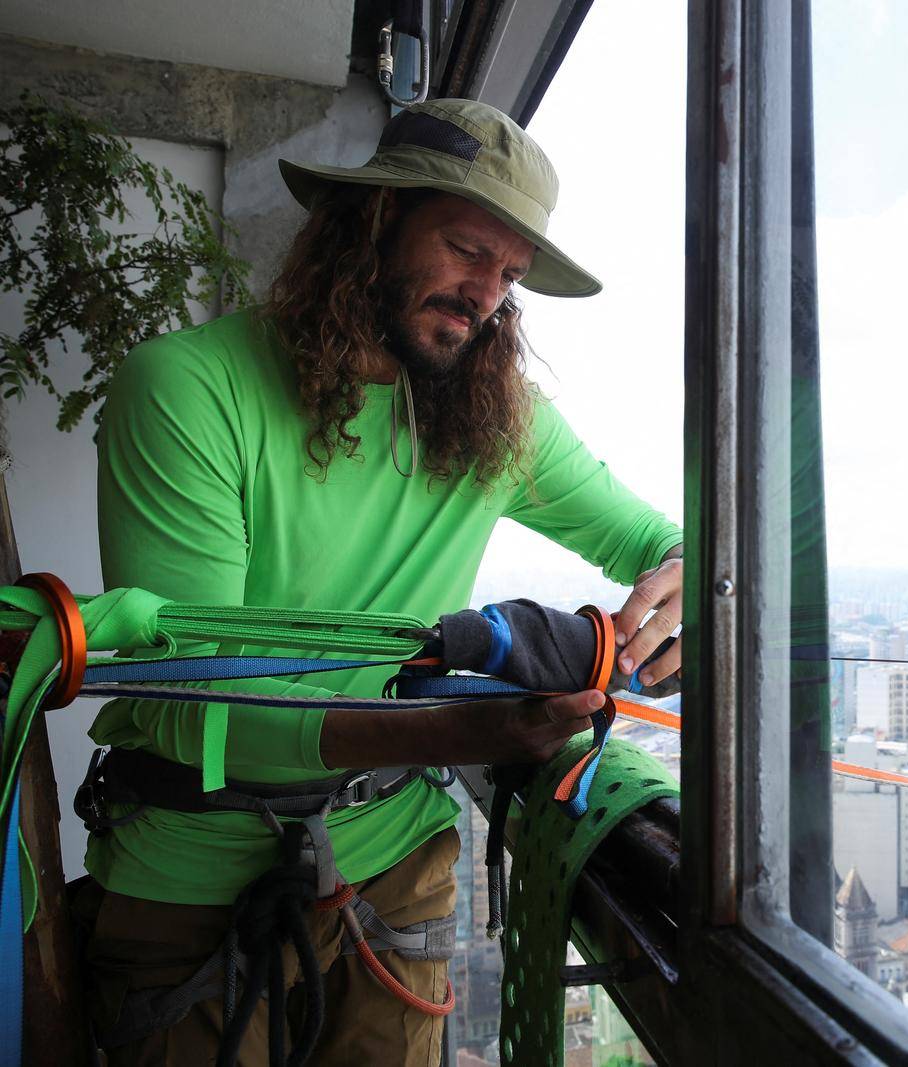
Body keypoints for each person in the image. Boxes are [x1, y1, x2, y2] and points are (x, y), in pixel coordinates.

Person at [70, 98, 683, 1065]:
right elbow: (200, 701)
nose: (487, 293)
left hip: (400, 871)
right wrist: (463, 728)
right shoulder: (190, 388)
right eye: (467, 250)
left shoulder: (494, 418)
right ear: (373, 220)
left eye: (511, 275)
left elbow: (661, 540)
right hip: (195, 875)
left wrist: (681, 591)